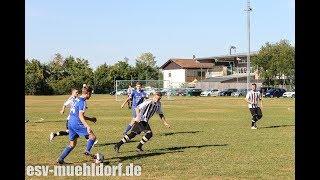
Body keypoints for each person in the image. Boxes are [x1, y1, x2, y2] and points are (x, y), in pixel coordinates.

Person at [56, 85, 97, 164]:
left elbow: (78, 114)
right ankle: (87, 151)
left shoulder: (76, 99)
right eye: (91, 94)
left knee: (72, 144)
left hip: (70, 122)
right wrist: (87, 126)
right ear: (87, 93)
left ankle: (60, 159)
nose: (90, 96)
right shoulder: (83, 102)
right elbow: (80, 116)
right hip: (76, 123)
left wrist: (90, 119)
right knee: (92, 137)